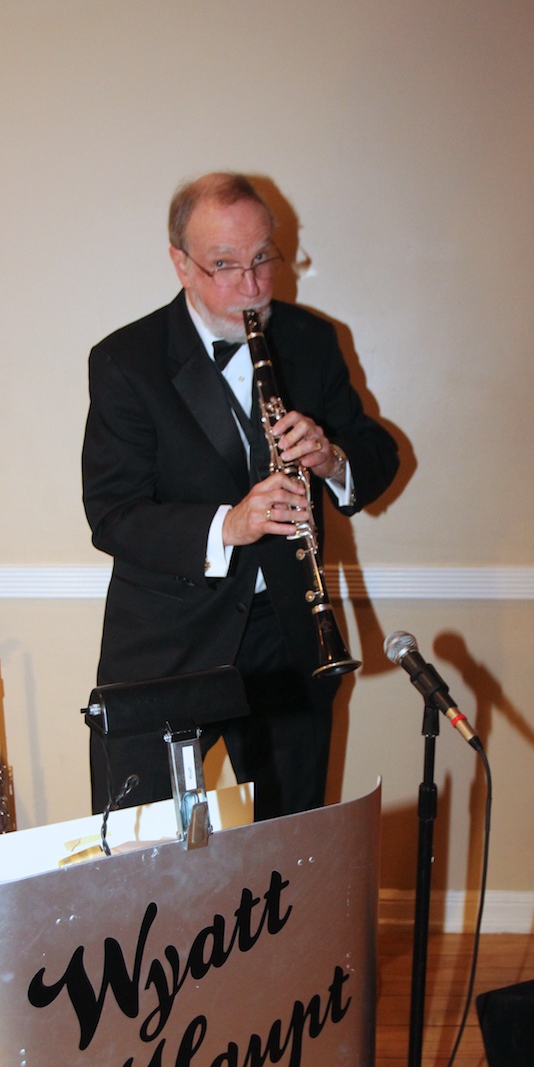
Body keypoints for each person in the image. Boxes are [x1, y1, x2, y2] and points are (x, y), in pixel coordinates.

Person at [82, 172, 399, 821]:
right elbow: (112, 514)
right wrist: (228, 525)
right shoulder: (125, 361)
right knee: (142, 850)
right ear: (181, 264)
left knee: (287, 846)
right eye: (224, 265)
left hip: (286, 638)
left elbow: (376, 454)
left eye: (262, 260)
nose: (252, 286)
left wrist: (330, 458)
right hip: (165, 647)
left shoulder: (309, 340)